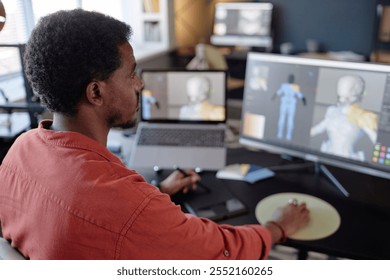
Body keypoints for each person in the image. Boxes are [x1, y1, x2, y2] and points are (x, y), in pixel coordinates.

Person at [0, 9, 309, 260]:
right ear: (95, 91)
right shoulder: (130, 210)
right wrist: (277, 227)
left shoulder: (21, 149)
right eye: (131, 73)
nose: (140, 84)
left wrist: (157, 190)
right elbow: (220, 252)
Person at [310, 75, 378, 161]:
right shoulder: (332, 111)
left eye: (346, 97)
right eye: (340, 96)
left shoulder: (363, 116)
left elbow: (376, 140)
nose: (342, 100)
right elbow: (318, 128)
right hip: (327, 156)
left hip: (349, 161)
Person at [273, 74, 306, 141]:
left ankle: (286, 135)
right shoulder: (285, 86)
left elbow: (300, 95)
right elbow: (278, 93)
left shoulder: (292, 86)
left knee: (288, 119)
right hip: (287, 103)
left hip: (290, 104)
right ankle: (281, 134)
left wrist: (304, 101)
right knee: (284, 118)